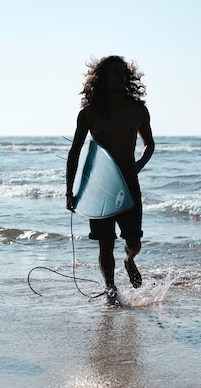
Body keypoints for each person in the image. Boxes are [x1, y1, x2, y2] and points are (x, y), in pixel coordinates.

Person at [65, 56, 155, 301]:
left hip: (128, 183)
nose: (121, 76)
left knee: (134, 240)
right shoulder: (90, 114)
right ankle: (110, 289)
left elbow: (149, 145)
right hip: (99, 186)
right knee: (105, 243)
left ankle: (129, 260)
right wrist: (70, 192)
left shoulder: (137, 110)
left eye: (123, 72)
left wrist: (139, 165)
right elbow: (74, 152)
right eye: (115, 72)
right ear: (102, 77)